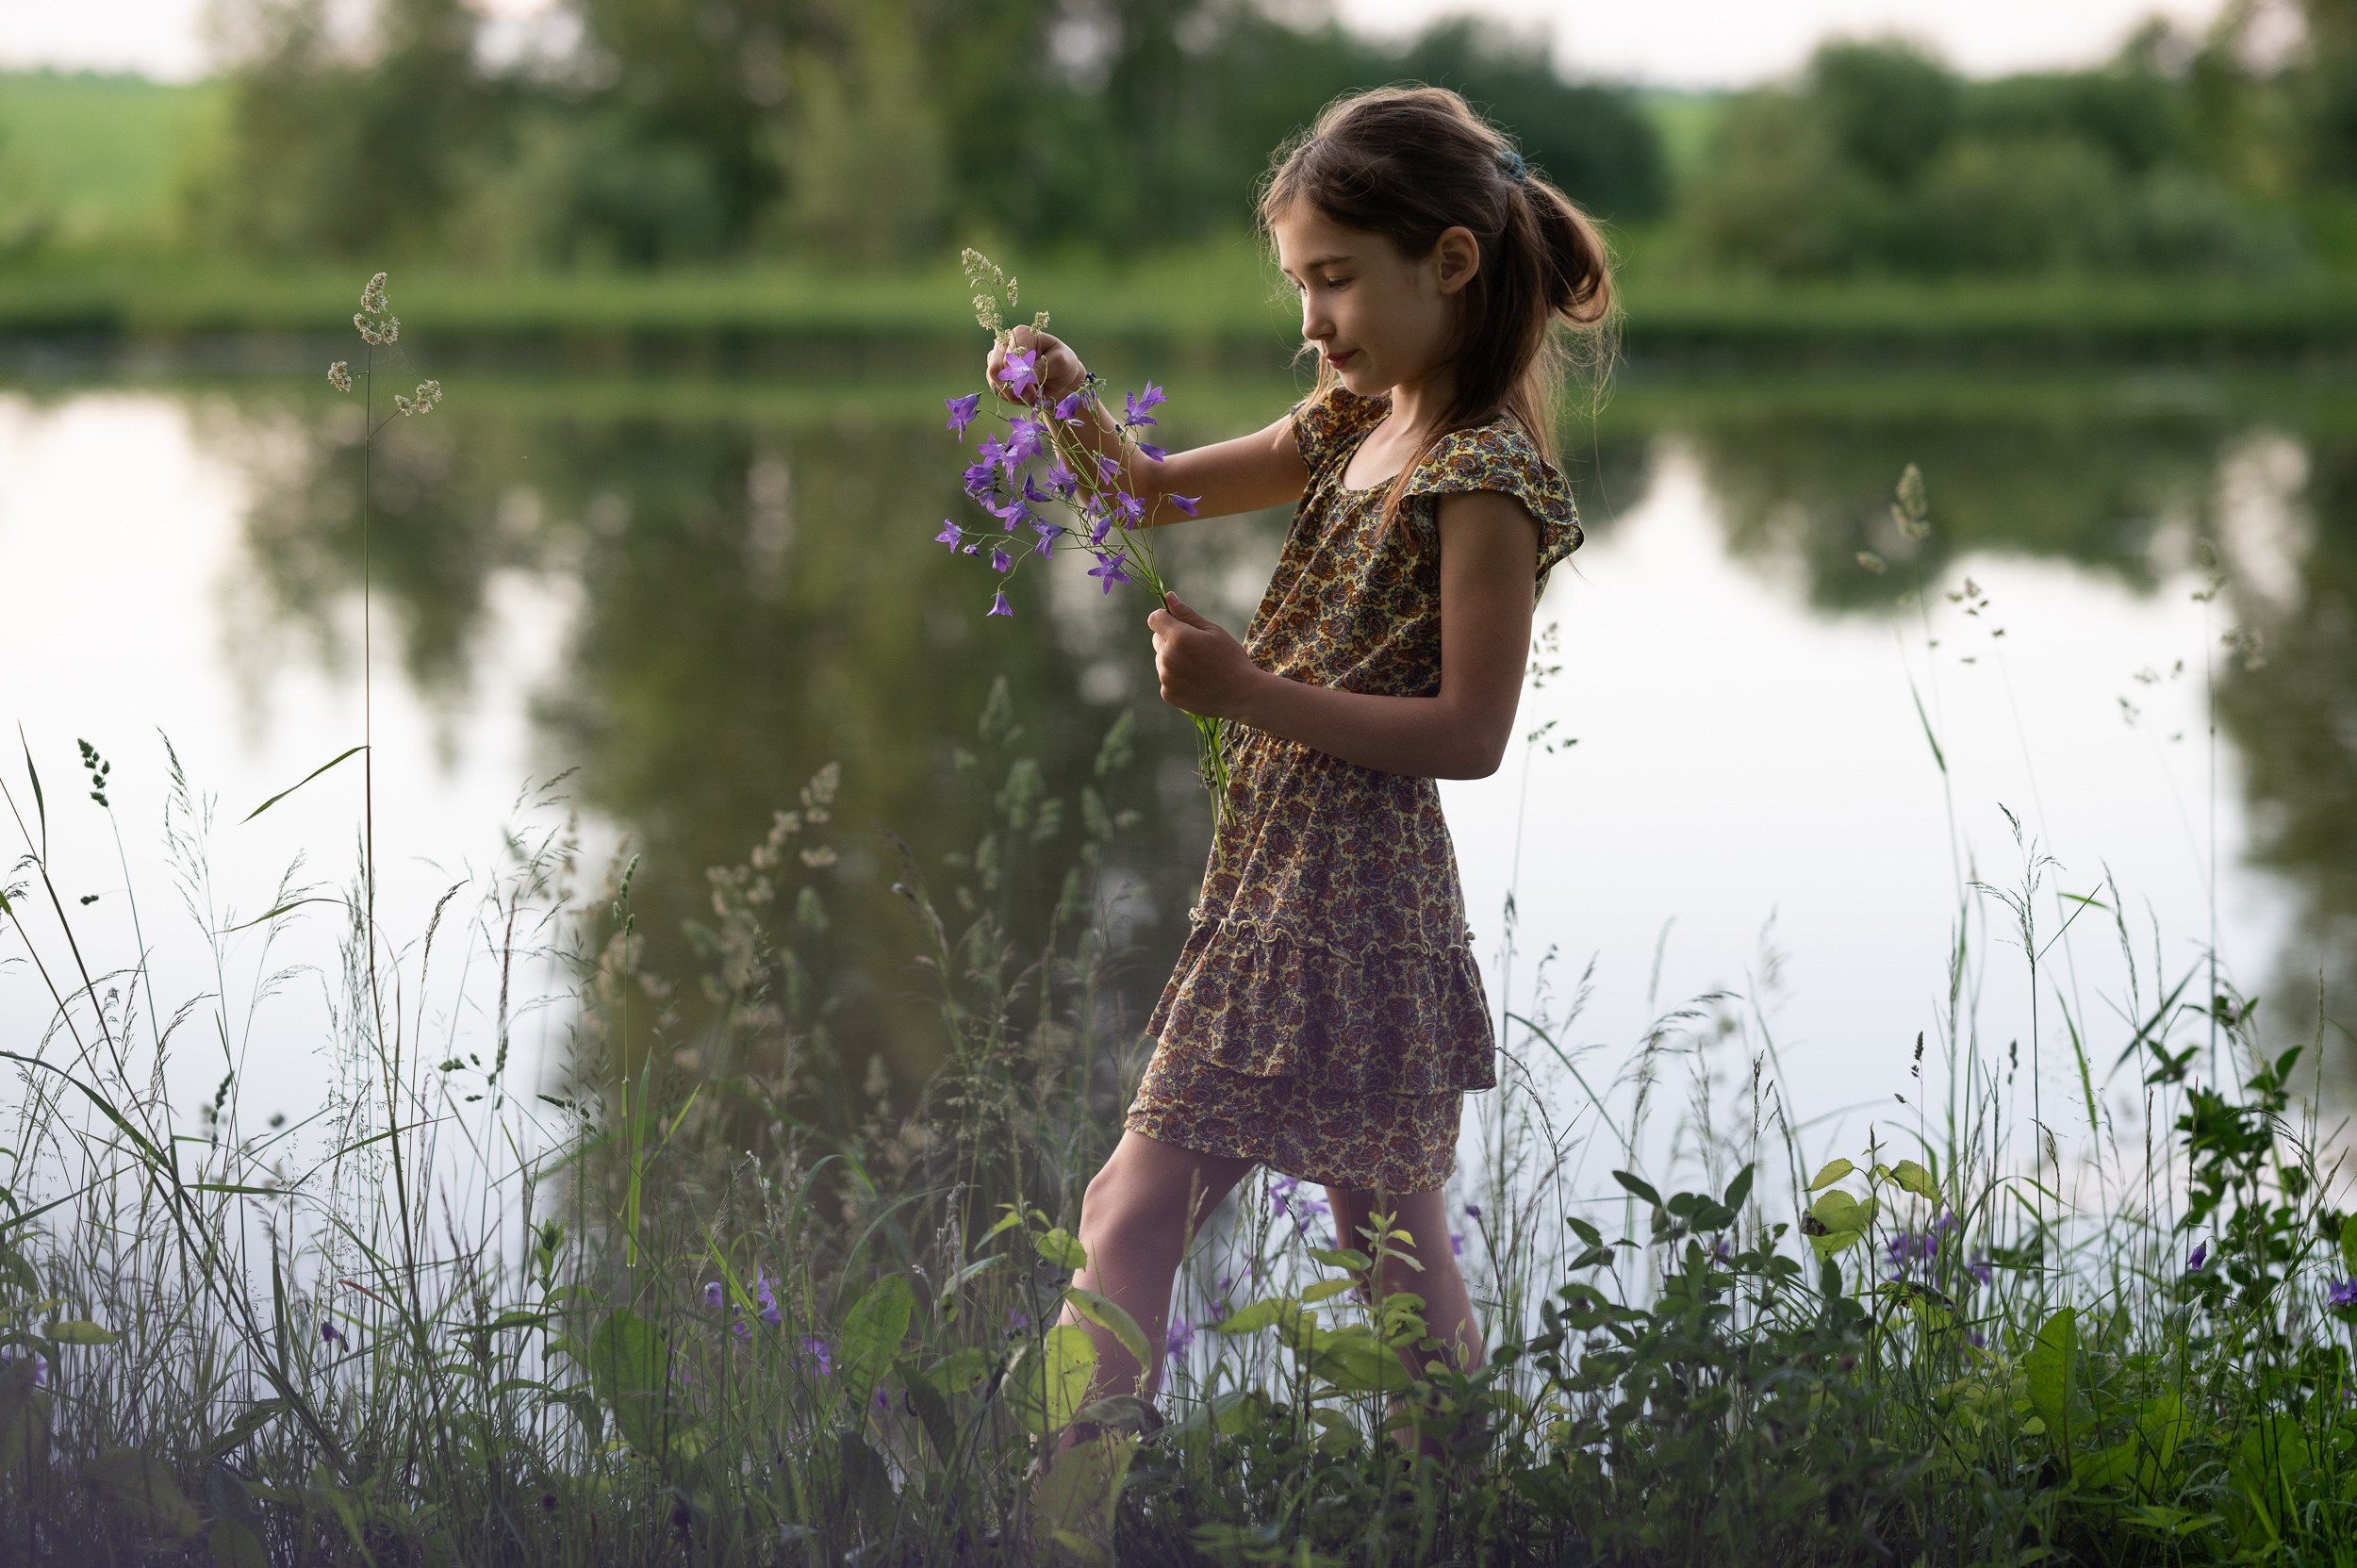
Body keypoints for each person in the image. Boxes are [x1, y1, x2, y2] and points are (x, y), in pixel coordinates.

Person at [983, 84, 1610, 1442]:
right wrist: (1070, 399)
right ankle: (1456, 1508)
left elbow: (1471, 732)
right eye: (1299, 287)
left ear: (1447, 263)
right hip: (1281, 879)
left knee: (1135, 1210)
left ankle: (1059, 1523)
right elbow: (1151, 494)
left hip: (1350, 902)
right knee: (1387, 1242)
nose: (1313, 322)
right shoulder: (1349, 422)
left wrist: (1248, 691)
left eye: (1335, 281)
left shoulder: (1481, 474)